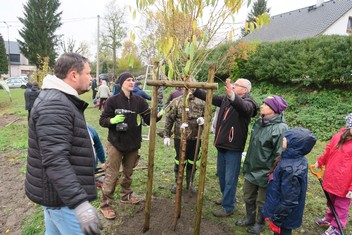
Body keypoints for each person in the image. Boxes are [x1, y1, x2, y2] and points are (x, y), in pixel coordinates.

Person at [25, 53, 103, 235]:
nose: (91, 78)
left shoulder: (60, 100)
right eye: (89, 73)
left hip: (58, 195)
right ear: (74, 75)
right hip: (63, 201)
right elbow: (55, 160)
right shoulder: (55, 105)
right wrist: (80, 204)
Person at [99, 71, 163, 220]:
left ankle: (125, 195)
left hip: (133, 143)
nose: (131, 82)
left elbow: (147, 119)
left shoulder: (139, 101)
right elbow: (103, 120)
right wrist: (112, 121)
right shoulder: (112, 101)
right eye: (128, 80)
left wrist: (158, 116)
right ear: (122, 83)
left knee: (128, 172)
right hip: (116, 142)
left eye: (133, 80)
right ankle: (105, 204)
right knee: (111, 174)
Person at [193, 78, 258, 217]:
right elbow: (210, 97)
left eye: (236, 85)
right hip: (221, 145)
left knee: (230, 179)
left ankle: (228, 207)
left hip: (233, 148)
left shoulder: (249, 103)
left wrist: (232, 96)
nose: (233, 86)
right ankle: (226, 198)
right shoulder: (225, 100)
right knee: (222, 176)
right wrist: (195, 89)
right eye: (233, 84)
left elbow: (244, 108)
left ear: (245, 90)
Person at [237, 95, 288, 234]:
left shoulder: (280, 128)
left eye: (266, 105)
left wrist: (272, 172)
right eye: (263, 103)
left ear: (274, 110)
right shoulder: (259, 123)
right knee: (248, 195)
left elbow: (279, 154)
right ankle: (249, 218)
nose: (262, 106)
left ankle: (259, 223)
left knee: (262, 201)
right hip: (252, 167)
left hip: (266, 171)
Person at [262, 128, 317, 235]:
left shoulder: (292, 169)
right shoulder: (291, 158)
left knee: (283, 232)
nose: (282, 139)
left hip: (284, 216)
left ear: (295, 144)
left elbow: (289, 200)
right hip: (281, 209)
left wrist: (277, 220)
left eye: (285, 139)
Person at [313, 113, 352, 235]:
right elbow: (328, 151)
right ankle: (329, 219)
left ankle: (337, 227)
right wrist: (320, 162)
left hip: (346, 184)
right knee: (330, 201)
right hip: (331, 178)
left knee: (341, 206)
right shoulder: (337, 137)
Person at [163, 91, 205, 193]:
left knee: (192, 160)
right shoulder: (177, 101)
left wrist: (203, 119)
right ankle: (177, 182)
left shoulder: (202, 102)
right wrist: (167, 135)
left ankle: (190, 183)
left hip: (195, 137)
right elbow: (169, 118)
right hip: (179, 137)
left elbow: (207, 116)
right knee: (180, 159)